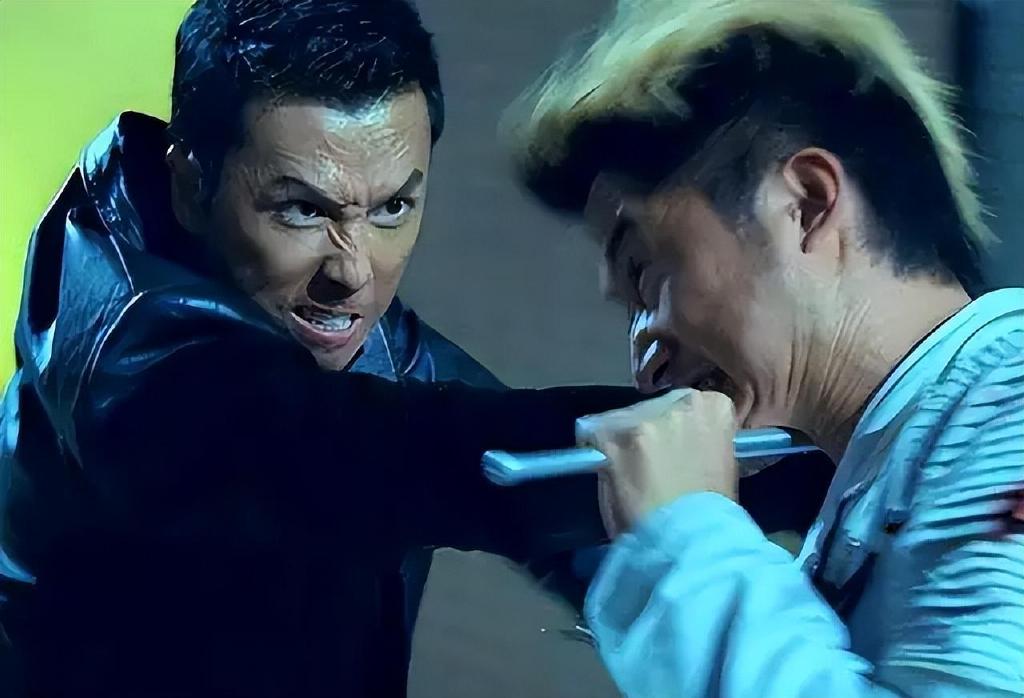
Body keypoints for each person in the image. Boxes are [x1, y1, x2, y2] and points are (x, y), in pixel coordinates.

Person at [0, 1, 649, 696]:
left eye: (392, 208)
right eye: (303, 210)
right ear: (190, 187)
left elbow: (516, 465)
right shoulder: (133, 356)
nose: (354, 274)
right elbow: (370, 453)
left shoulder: (327, 327)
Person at [506, 0, 1024, 696]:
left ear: (805, 203)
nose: (645, 359)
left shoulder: (1011, 407)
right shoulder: (887, 478)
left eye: (645, 273)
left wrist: (685, 539)